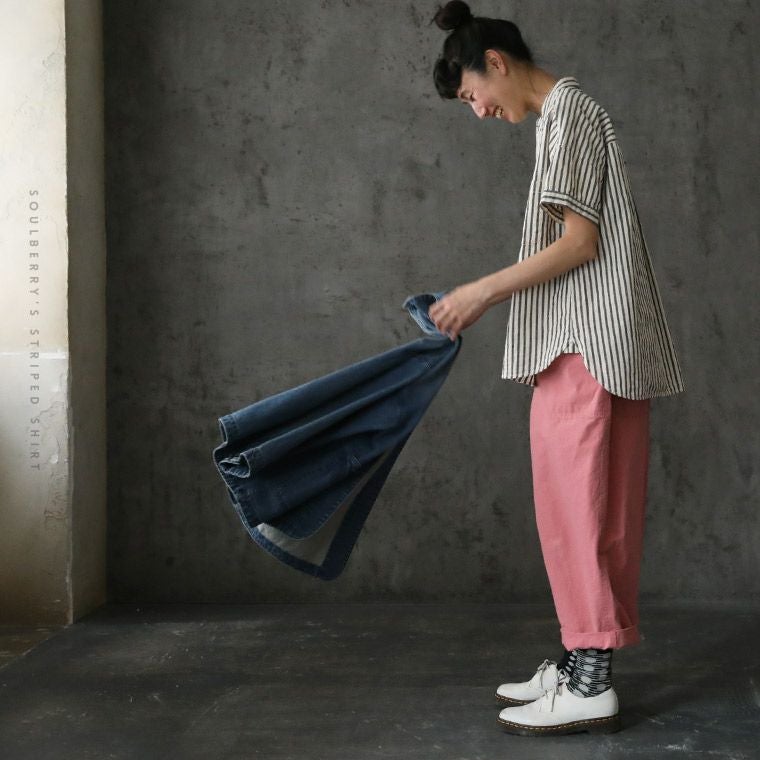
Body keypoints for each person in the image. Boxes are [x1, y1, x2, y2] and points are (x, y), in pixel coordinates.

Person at [427, 0, 685, 737]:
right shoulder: (568, 114)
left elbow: (578, 244)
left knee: (578, 513)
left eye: (474, 95)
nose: (479, 111)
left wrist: (481, 291)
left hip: (584, 342)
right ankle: (579, 664)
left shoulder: (568, 114)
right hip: (602, 341)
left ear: (496, 63)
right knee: (596, 511)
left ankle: (590, 681)